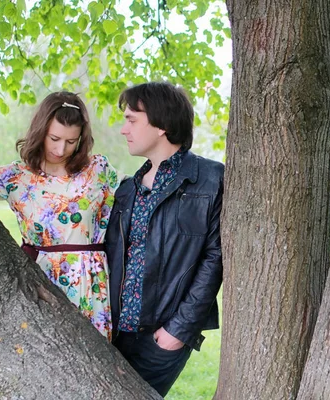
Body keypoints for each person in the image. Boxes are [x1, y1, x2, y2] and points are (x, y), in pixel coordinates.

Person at [0, 92, 120, 340]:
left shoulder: (98, 170)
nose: (60, 149)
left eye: (71, 141)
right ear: (40, 130)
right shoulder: (15, 176)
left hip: (90, 280)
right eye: (54, 138)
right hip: (40, 279)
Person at [105, 81, 224, 396]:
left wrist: (178, 331)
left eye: (131, 119)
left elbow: (215, 259)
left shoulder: (210, 180)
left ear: (161, 124)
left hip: (163, 337)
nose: (123, 129)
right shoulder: (127, 189)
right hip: (113, 332)